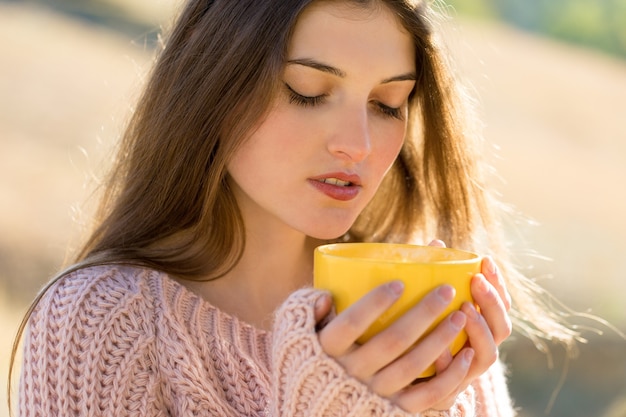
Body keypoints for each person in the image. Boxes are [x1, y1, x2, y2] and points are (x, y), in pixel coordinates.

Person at [9, 0, 579, 416]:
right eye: (307, 91)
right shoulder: (101, 321)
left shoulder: (422, 319)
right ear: (214, 87)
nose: (357, 143)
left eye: (387, 103)